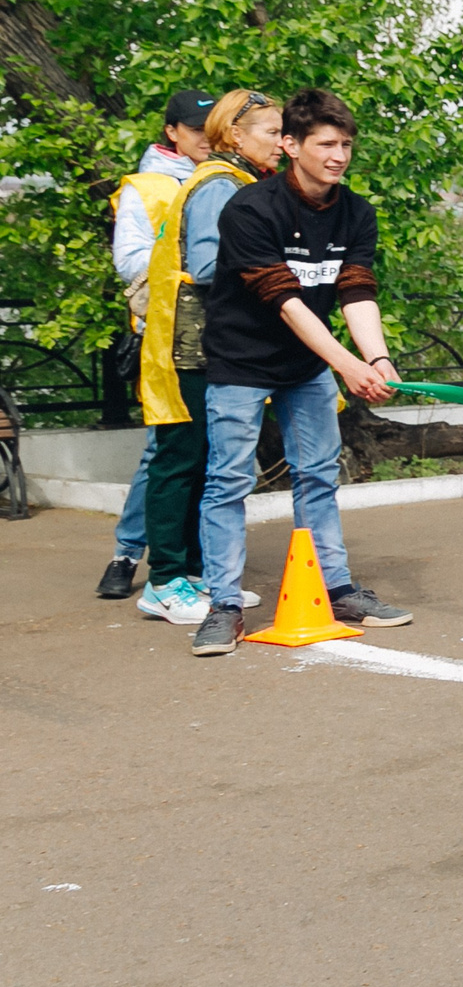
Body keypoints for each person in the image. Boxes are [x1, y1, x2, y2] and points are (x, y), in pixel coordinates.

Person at [191, 90, 410, 657]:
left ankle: (335, 589)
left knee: (318, 475)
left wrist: (378, 359)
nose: (340, 156)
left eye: (346, 145)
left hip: (306, 364)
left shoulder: (356, 212)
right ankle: (223, 606)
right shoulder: (249, 210)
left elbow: (355, 291)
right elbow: (284, 300)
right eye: (327, 144)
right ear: (291, 146)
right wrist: (349, 366)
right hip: (241, 362)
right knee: (228, 481)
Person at [133, 91, 284, 625]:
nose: (282, 144)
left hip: (211, 343)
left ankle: (196, 575)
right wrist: (275, 273)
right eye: (272, 132)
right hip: (188, 345)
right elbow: (207, 265)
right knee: (180, 459)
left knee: (202, 458)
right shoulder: (219, 185)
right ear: (236, 135)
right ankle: (164, 580)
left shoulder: (237, 181)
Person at [95, 90, 218, 600]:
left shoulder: (217, 178)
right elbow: (130, 262)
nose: (205, 140)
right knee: (164, 450)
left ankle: (190, 563)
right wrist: (192, 263)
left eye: (213, 131)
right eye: (196, 131)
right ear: (172, 132)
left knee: (198, 448)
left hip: (209, 331)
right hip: (167, 331)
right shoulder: (147, 187)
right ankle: (129, 554)